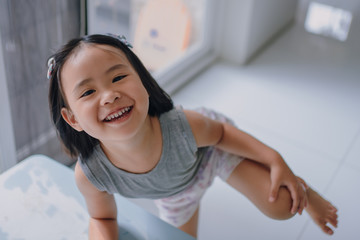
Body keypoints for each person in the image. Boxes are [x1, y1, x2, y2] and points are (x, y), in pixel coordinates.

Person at [47, 34, 338, 239]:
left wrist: (276, 160)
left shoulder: (182, 126)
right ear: (72, 119)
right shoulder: (90, 175)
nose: (110, 95)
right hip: (176, 195)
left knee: (283, 205)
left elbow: (222, 133)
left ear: (144, 81)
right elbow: (102, 218)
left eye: (119, 77)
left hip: (211, 151)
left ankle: (305, 191)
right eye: (88, 92)